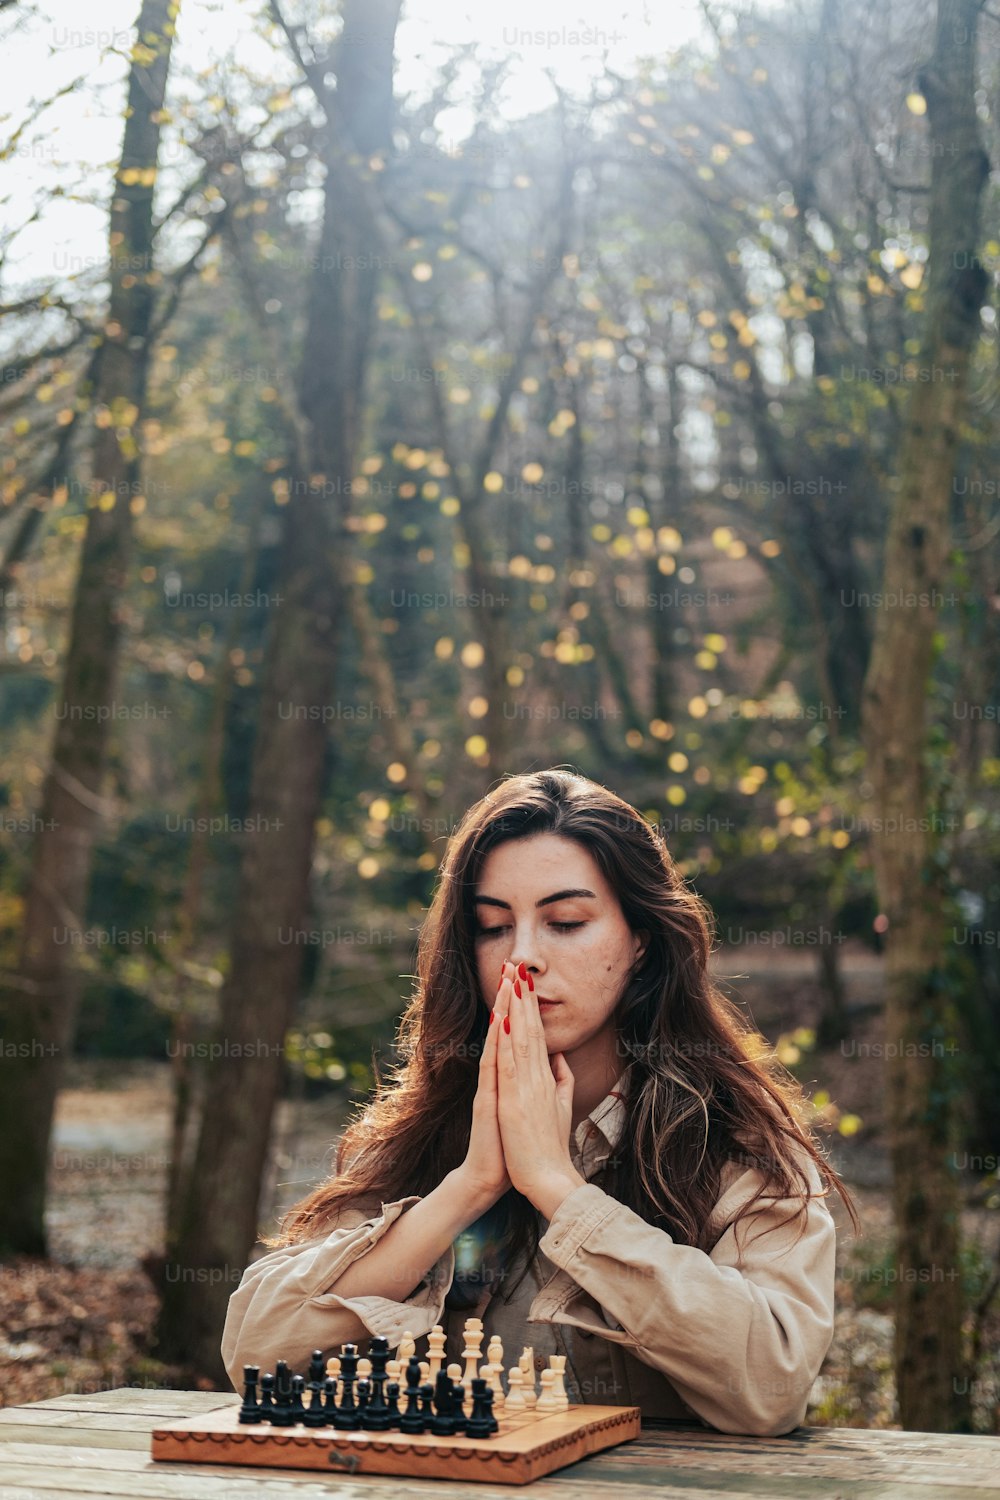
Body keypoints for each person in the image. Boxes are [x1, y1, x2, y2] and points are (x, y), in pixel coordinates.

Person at [222, 768, 858, 1435]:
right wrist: (469, 1185)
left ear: (641, 940)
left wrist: (558, 1188)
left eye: (565, 921)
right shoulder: (416, 1136)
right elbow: (255, 1352)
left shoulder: (736, 1144)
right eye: (494, 927)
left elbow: (773, 1388)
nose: (522, 956)